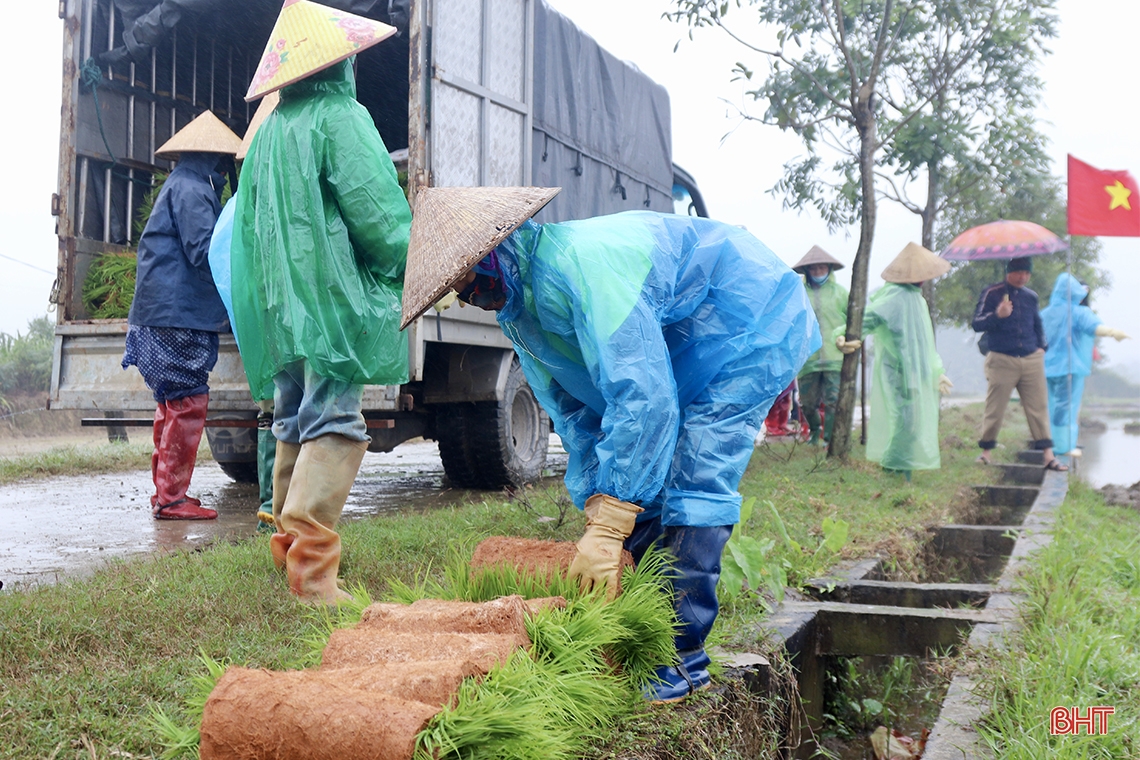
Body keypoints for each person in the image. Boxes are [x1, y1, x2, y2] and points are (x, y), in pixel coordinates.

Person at [399, 187, 821, 702]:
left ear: (497, 248)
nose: (470, 297)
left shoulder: (585, 265)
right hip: (687, 342)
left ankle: (680, 659)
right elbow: (577, 412)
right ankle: (638, 629)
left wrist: (615, 520)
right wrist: (601, 504)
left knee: (695, 470)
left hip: (746, 321)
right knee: (634, 483)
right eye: (458, 291)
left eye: (471, 279)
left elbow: (643, 399)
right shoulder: (521, 312)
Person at [229, 2, 409, 604]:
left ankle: (284, 553)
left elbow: (248, 233)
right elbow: (379, 217)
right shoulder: (341, 117)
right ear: (338, 60)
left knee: (291, 421)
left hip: (281, 312)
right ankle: (311, 572)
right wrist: (414, 265)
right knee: (333, 420)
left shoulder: (268, 133)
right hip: (331, 305)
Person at [122, 110, 242, 520]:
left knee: (172, 402)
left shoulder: (183, 182)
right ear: (214, 157)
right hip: (176, 316)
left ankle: (166, 493)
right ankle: (172, 498)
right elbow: (203, 250)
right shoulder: (193, 189)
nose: (226, 169)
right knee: (188, 400)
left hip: (158, 315)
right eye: (225, 161)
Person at [836, 244, 953, 480]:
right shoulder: (893, 298)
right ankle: (893, 468)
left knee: (913, 422)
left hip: (916, 372)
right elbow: (863, 322)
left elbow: (924, 343)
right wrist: (840, 337)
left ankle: (902, 471)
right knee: (906, 422)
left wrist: (936, 371)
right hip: (898, 372)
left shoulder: (917, 300)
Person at [971, 257, 1067, 471]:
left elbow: (1037, 323)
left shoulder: (1031, 296)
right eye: (1018, 272)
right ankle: (986, 452)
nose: (1022, 276)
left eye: (1026, 273)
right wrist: (998, 314)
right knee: (995, 407)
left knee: (1038, 407)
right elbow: (977, 323)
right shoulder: (992, 293)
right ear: (1008, 271)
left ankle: (1048, 457)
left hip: (1031, 358)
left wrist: (1042, 346)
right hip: (1002, 358)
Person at [1040, 273, 1130, 456]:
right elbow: (1095, 327)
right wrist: (1114, 332)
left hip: (1045, 367)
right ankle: (1064, 446)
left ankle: (1047, 443)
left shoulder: (1044, 313)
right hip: (1070, 368)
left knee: (1048, 406)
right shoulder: (1079, 312)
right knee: (1067, 407)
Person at [791, 245, 849, 445]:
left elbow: (853, 322)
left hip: (835, 357)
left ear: (829, 270)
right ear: (807, 271)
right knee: (807, 403)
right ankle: (815, 431)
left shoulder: (841, 294)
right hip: (808, 358)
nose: (817, 272)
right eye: (814, 269)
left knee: (833, 401)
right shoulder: (798, 294)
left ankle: (829, 437)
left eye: (822, 268)